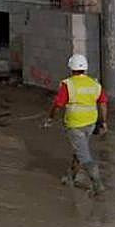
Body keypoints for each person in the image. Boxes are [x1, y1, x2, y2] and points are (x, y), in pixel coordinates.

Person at [44, 53, 108, 195]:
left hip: (75, 125)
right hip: (91, 124)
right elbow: (103, 104)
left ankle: (98, 185)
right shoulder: (94, 84)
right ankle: (70, 177)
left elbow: (58, 104)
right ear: (85, 69)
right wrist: (103, 122)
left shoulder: (68, 85)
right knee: (80, 150)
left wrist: (50, 118)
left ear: (71, 68)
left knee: (84, 155)